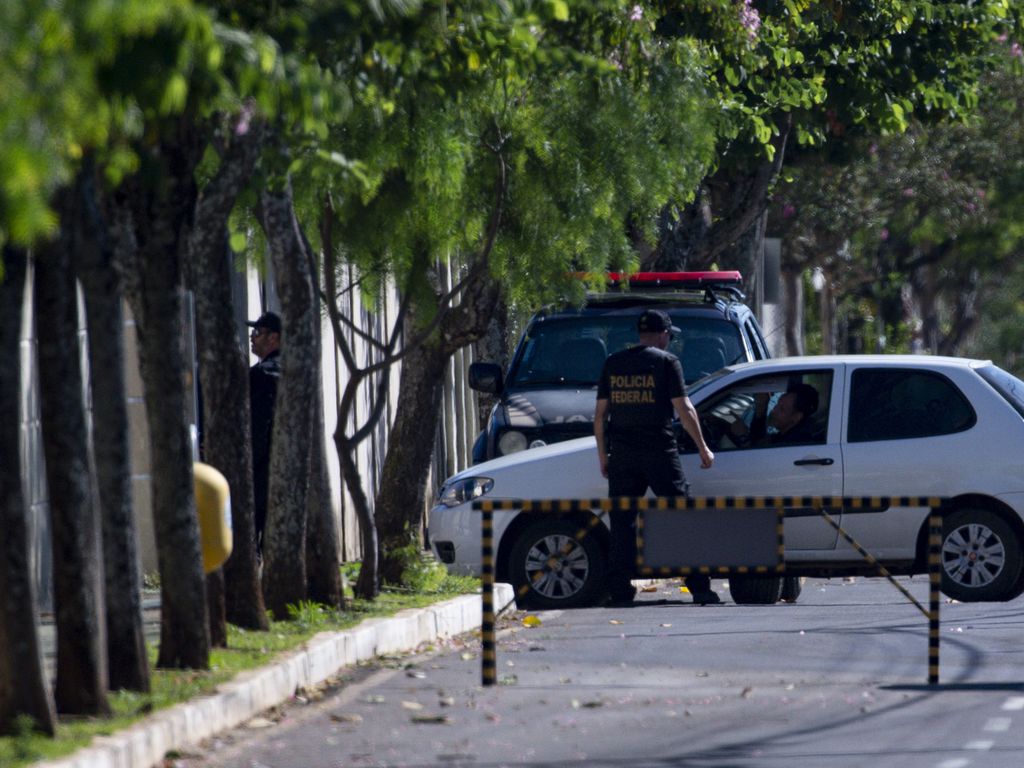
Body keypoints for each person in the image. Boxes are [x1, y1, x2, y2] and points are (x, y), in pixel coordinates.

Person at [594, 309, 716, 606]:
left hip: (622, 454)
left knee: (622, 523)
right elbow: (684, 409)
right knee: (683, 517)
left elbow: (599, 416)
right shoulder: (666, 362)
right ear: (663, 335)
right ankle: (699, 586)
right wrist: (703, 447)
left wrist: (603, 456)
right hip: (660, 452)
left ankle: (620, 591)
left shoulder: (614, 363)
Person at [247, 311, 282, 553]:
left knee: (253, 525)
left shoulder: (260, 375)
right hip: (287, 468)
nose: (252, 338)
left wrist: (248, 460)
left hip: (261, 466)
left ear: (273, 338)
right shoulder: (297, 371)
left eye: (257, 333)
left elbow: (258, 424)